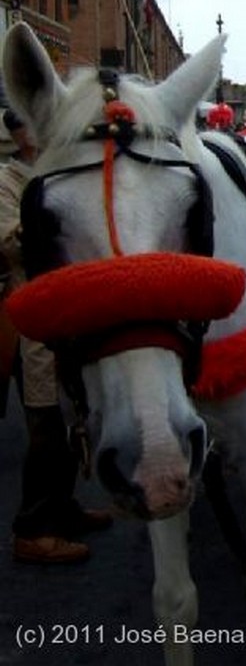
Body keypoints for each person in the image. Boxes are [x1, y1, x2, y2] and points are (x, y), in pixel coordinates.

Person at [0, 108, 112, 564]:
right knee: (44, 424)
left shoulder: (52, 175)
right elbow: (8, 242)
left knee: (69, 421)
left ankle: (63, 509)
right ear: (19, 133)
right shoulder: (7, 181)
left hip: (67, 311)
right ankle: (32, 528)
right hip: (33, 313)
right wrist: (62, 227)